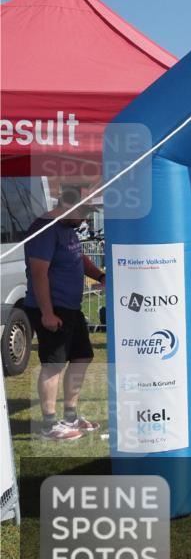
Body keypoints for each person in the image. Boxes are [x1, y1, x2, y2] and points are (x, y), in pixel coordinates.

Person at [24, 188, 106, 441]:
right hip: (50, 307)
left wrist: (101, 276)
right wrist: (47, 313)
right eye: (82, 212)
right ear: (66, 204)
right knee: (54, 363)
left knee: (82, 357)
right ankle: (49, 425)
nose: (85, 219)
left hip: (70, 307)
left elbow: (79, 259)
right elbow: (38, 273)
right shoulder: (44, 229)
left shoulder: (68, 230)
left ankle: (70, 416)